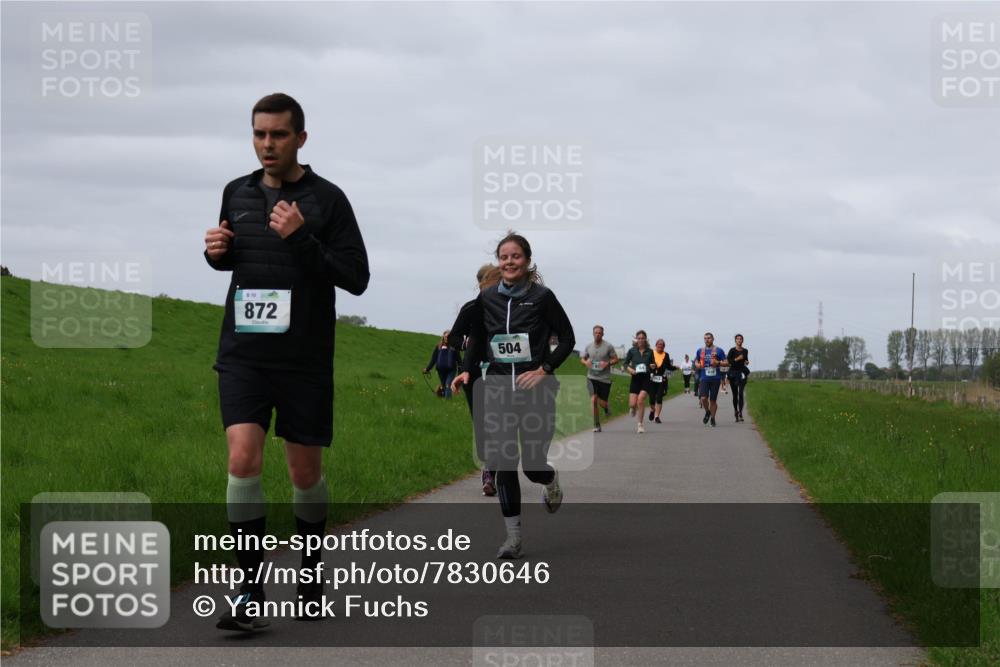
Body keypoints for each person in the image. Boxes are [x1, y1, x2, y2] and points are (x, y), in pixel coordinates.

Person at [204, 93, 370, 630]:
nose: (267, 144)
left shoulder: (329, 200)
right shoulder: (236, 192)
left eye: (277, 134)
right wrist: (215, 254)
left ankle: (310, 569)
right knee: (242, 459)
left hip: (303, 359)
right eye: (258, 134)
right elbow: (234, 258)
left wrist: (302, 238)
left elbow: (356, 277)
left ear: (301, 137)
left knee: (304, 475)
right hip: (244, 354)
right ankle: (249, 590)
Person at [452, 232, 575, 560]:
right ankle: (513, 538)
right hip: (498, 390)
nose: (509, 262)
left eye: (515, 256)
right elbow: (477, 335)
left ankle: (550, 480)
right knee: (505, 463)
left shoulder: (543, 297)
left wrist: (544, 369)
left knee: (533, 466)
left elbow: (567, 337)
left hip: (536, 391)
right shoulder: (488, 298)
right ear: (499, 262)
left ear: (527, 260)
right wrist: (466, 369)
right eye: (503, 257)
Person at [448, 264, 501, 496]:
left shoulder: (506, 310)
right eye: (490, 285)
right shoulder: (470, 308)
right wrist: (468, 345)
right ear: (481, 285)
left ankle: (490, 473)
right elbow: (453, 337)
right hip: (474, 372)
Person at [581, 325, 619, 432]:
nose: (597, 334)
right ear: (593, 334)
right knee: (593, 400)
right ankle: (597, 424)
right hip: (591, 377)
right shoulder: (589, 346)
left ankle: (606, 407)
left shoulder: (608, 346)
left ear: (602, 334)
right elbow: (582, 359)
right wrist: (586, 362)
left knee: (602, 402)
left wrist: (607, 364)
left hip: (604, 378)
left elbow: (616, 359)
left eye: (599, 333)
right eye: (596, 332)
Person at [622, 330, 654, 434]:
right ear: (636, 339)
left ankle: (640, 425)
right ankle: (633, 408)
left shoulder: (650, 351)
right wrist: (630, 370)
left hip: (646, 378)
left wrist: (653, 366)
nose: (640, 340)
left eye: (642, 338)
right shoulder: (632, 351)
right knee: (632, 404)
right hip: (635, 378)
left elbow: (653, 365)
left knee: (640, 400)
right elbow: (625, 364)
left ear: (645, 339)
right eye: (639, 338)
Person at [695, 332, 728, 427]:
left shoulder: (719, 350)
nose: (707, 340)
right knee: (703, 398)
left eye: (709, 338)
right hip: (704, 377)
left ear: (713, 339)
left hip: (715, 378)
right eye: (705, 338)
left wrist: (718, 362)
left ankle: (713, 418)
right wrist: (697, 364)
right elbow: (696, 361)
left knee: (713, 401)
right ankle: (707, 412)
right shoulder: (700, 350)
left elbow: (726, 362)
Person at [423, 330, 461, 398]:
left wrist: (460, 372)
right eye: (445, 336)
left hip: (451, 370)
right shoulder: (438, 347)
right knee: (444, 386)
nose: (447, 338)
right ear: (443, 337)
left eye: (448, 336)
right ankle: (443, 400)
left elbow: (459, 360)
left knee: (448, 385)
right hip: (441, 370)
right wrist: (427, 369)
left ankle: (447, 402)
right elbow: (433, 359)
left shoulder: (454, 347)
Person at [647, 338, 677, 424]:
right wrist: (650, 366)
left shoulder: (666, 355)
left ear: (664, 347)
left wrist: (675, 367)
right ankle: (652, 410)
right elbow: (646, 364)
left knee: (659, 398)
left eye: (662, 346)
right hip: (652, 379)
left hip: (662, 379)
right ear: (656, 346)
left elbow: (668, 366)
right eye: (658, 345)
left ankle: (657, 416)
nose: (660, 347)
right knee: (652, 399)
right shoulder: (651, 353)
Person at [728, 334, 751, 422]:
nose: (739, 340)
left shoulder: (745, 351)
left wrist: (746, 361)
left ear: (742, 341)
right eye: (737, 339)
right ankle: (735, 411)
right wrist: (737, 359)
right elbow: (729, 362)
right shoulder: (732, 350)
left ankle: (741, 413)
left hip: (742, 372)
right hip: (733, 373)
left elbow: (746, 359)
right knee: (735, 394)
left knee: (741, 393)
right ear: (735, 341)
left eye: (741, 339)